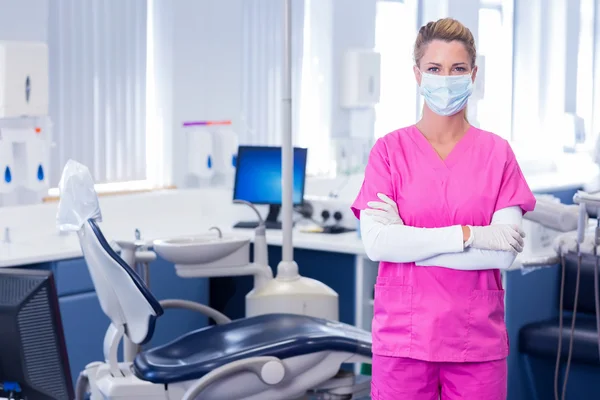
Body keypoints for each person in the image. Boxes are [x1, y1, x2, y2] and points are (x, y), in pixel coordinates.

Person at [351, 18, 536, 400]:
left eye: (457, 69)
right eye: (435, 69)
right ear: (418, 75)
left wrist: (412, 247)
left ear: (474, 74)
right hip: (403, 344)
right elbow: (378, 244)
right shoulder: (389, 152)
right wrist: (468, 235)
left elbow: (502, 254)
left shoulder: (497, 154)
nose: (445, 78)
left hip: (475, 344)